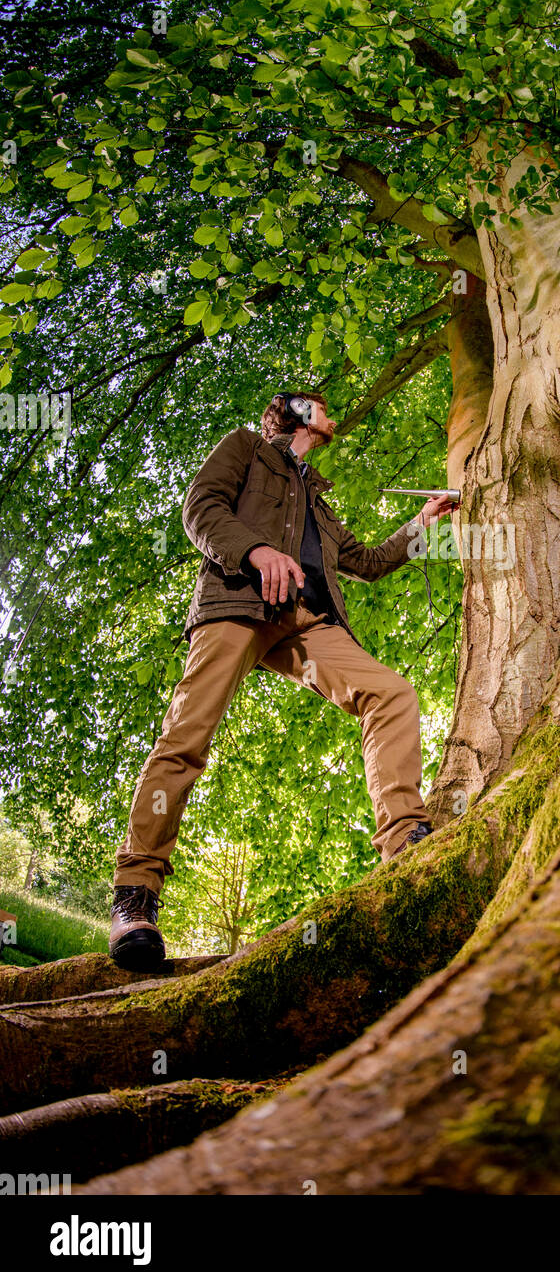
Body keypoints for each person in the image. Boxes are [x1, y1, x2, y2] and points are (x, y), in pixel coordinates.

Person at [109, 389, 459, 971]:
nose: (330, 412)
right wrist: (256, 552)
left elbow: (368, 563)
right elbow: (200, 505)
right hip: (238, 602)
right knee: (186, 738)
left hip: (308, 622)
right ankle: (135, 899)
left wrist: (422, 522)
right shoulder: (246, 448)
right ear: (294, 412)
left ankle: (405, 843)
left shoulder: (318, 499)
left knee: (391, 694)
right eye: (318, 405)